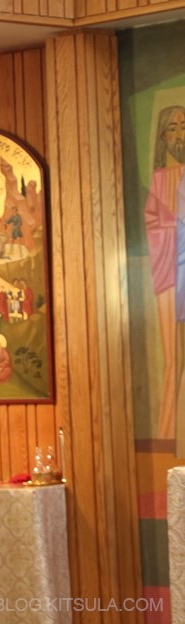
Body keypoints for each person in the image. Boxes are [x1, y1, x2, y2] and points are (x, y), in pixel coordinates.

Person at [143, 104, 185, 439]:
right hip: (170, 274)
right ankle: (169, 434)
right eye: (173, 128)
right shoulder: (160, 179)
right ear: (162, 137)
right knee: (173, 356)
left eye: (184, 127)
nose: (180, 134)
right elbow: (153, 226)